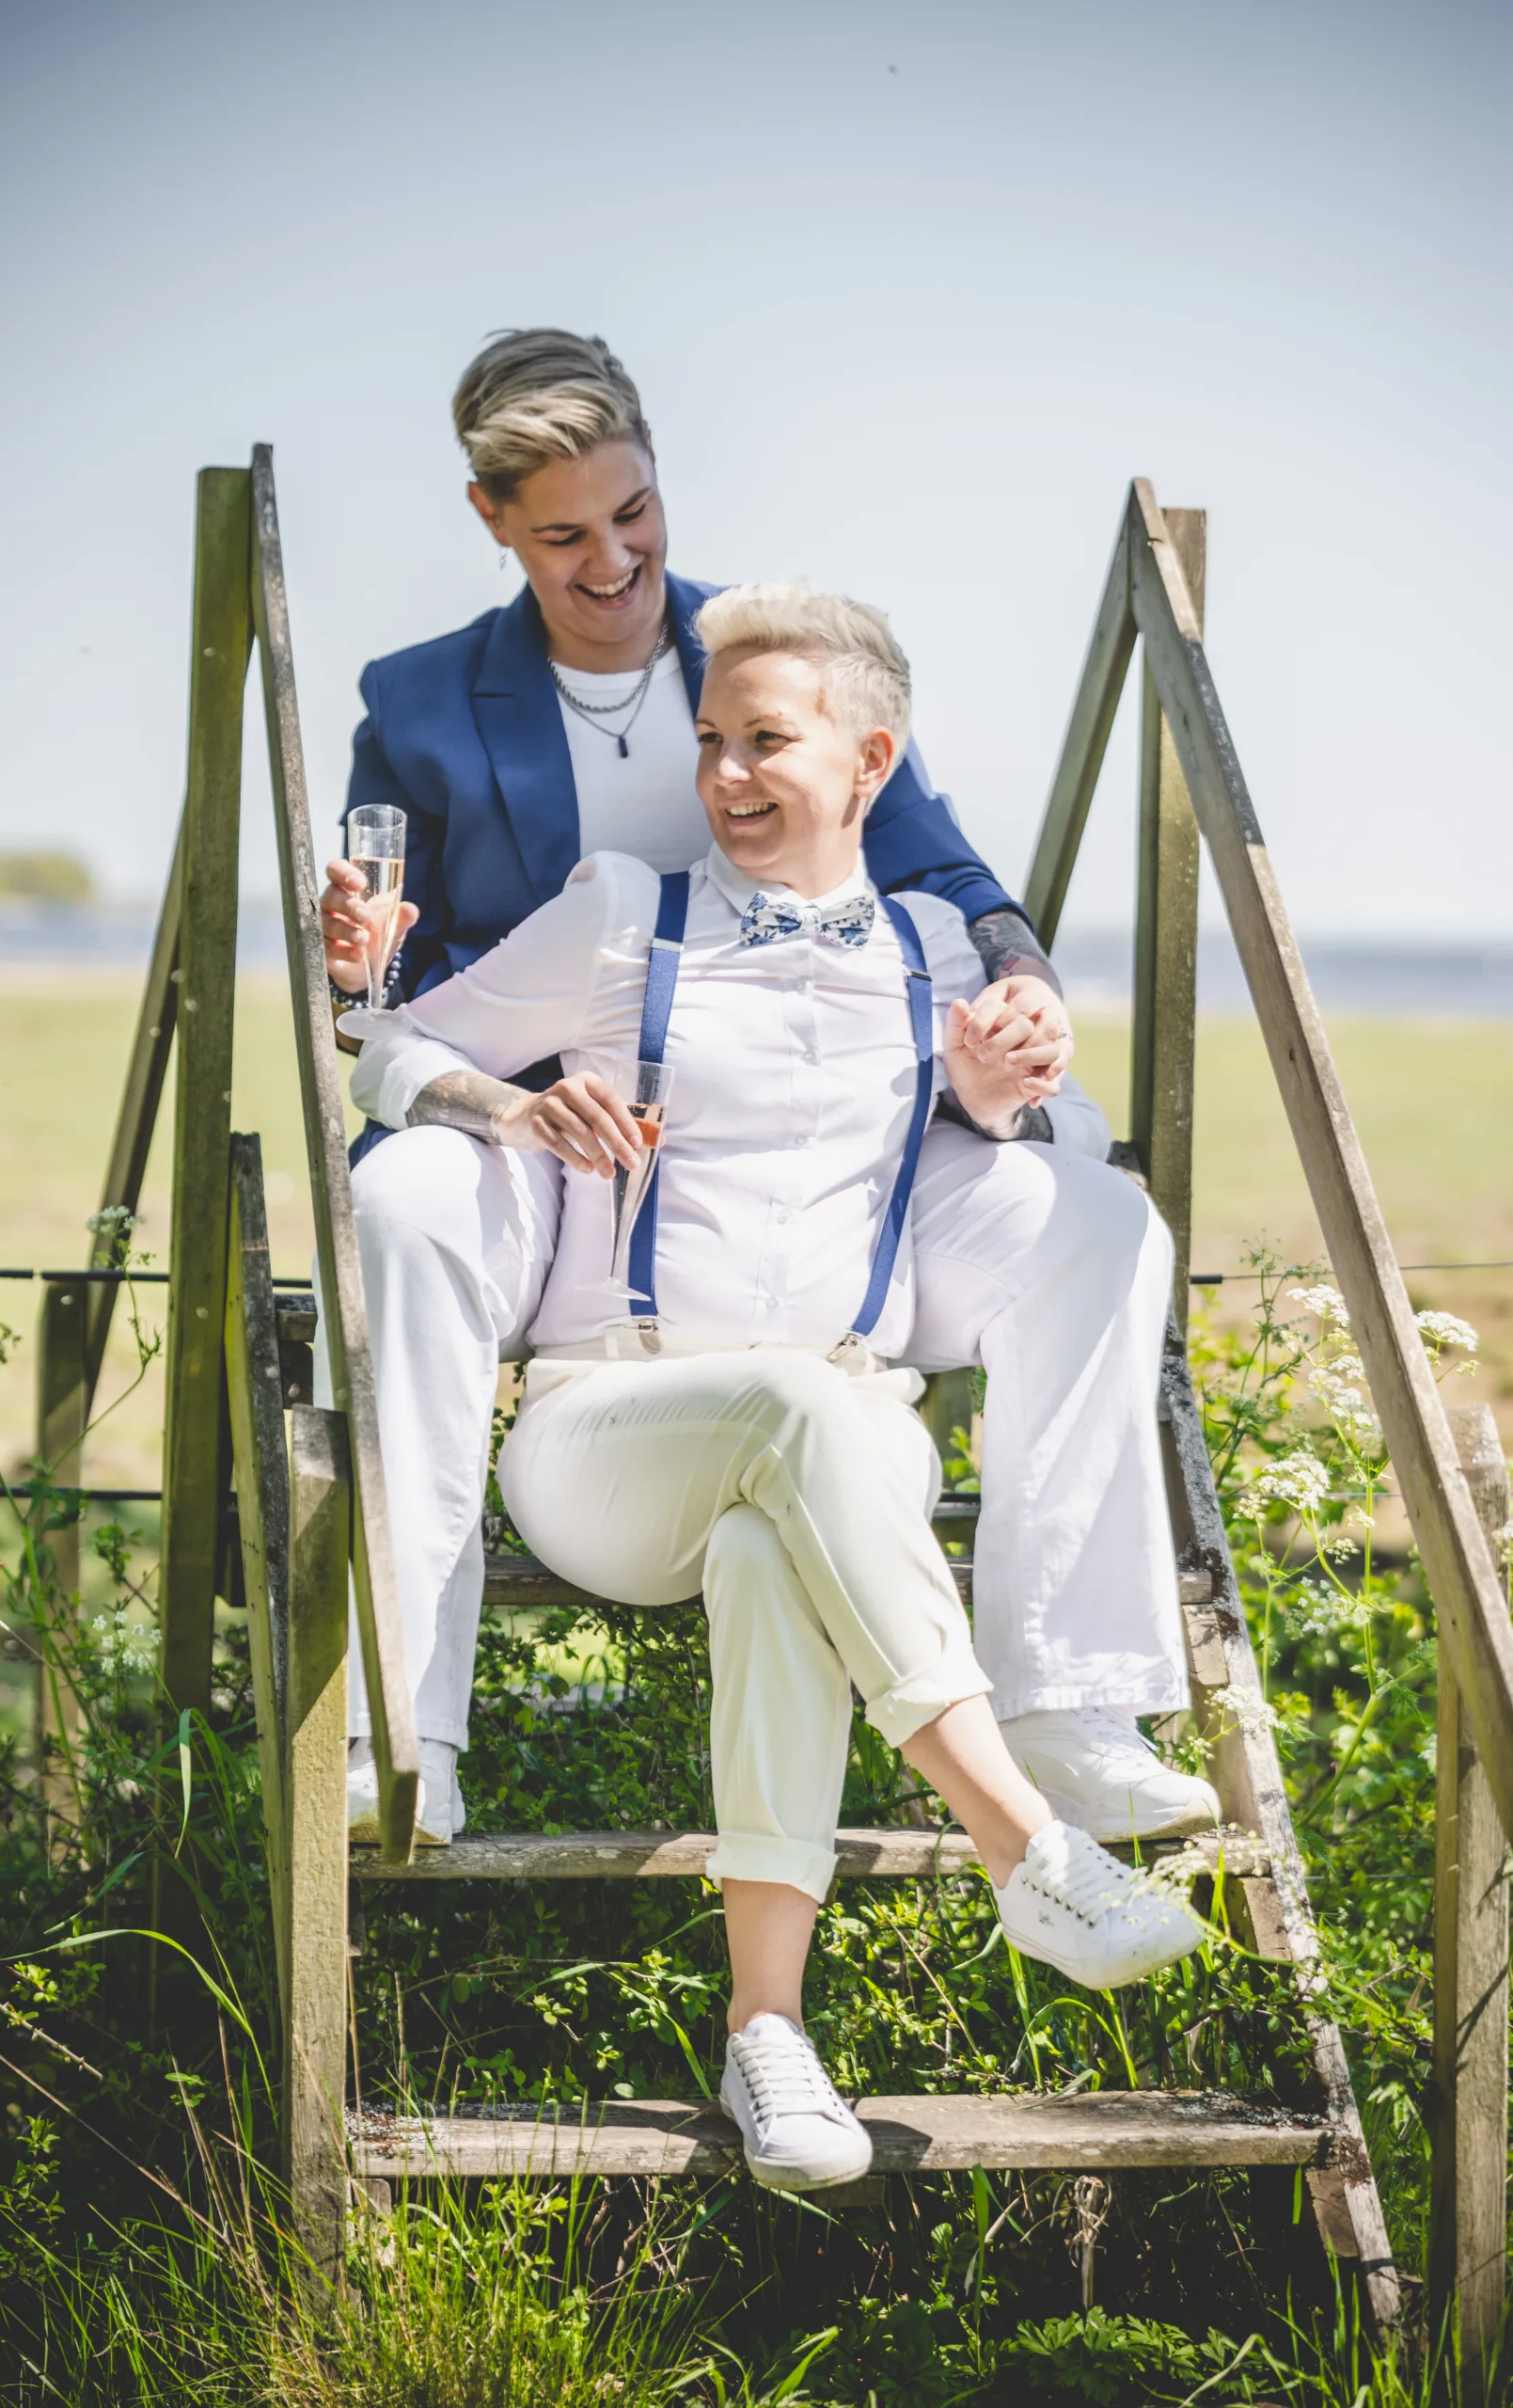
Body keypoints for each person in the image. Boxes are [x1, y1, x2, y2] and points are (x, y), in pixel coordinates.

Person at [339, 583, 1205, 2190]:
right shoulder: (617, 910)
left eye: (767, 743)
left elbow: (1043, 1175)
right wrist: (502, 1112)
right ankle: (1024, 1838)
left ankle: (769, 2043)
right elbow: (385, 1045)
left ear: (872, 758)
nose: (726, 776)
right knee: (805, 1418)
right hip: (611, 1435)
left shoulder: (942, 954)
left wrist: (1007, 1105)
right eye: (713, 743)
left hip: (826, 1450)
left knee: (786, 1518)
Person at [322, 327, 1212, 1848]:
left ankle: (1071, 1705)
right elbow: (382, 990)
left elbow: (940, 872)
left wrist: (1019, 994)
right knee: (401, 1193)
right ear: (490, 522)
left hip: (814, 1127)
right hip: (551, 1143)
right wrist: (361, 970)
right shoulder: (415, 703)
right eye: (564, 535)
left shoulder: (753, 655)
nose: (614, 561)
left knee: (1096, 1218)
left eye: (635, 513)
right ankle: (397, 1724)